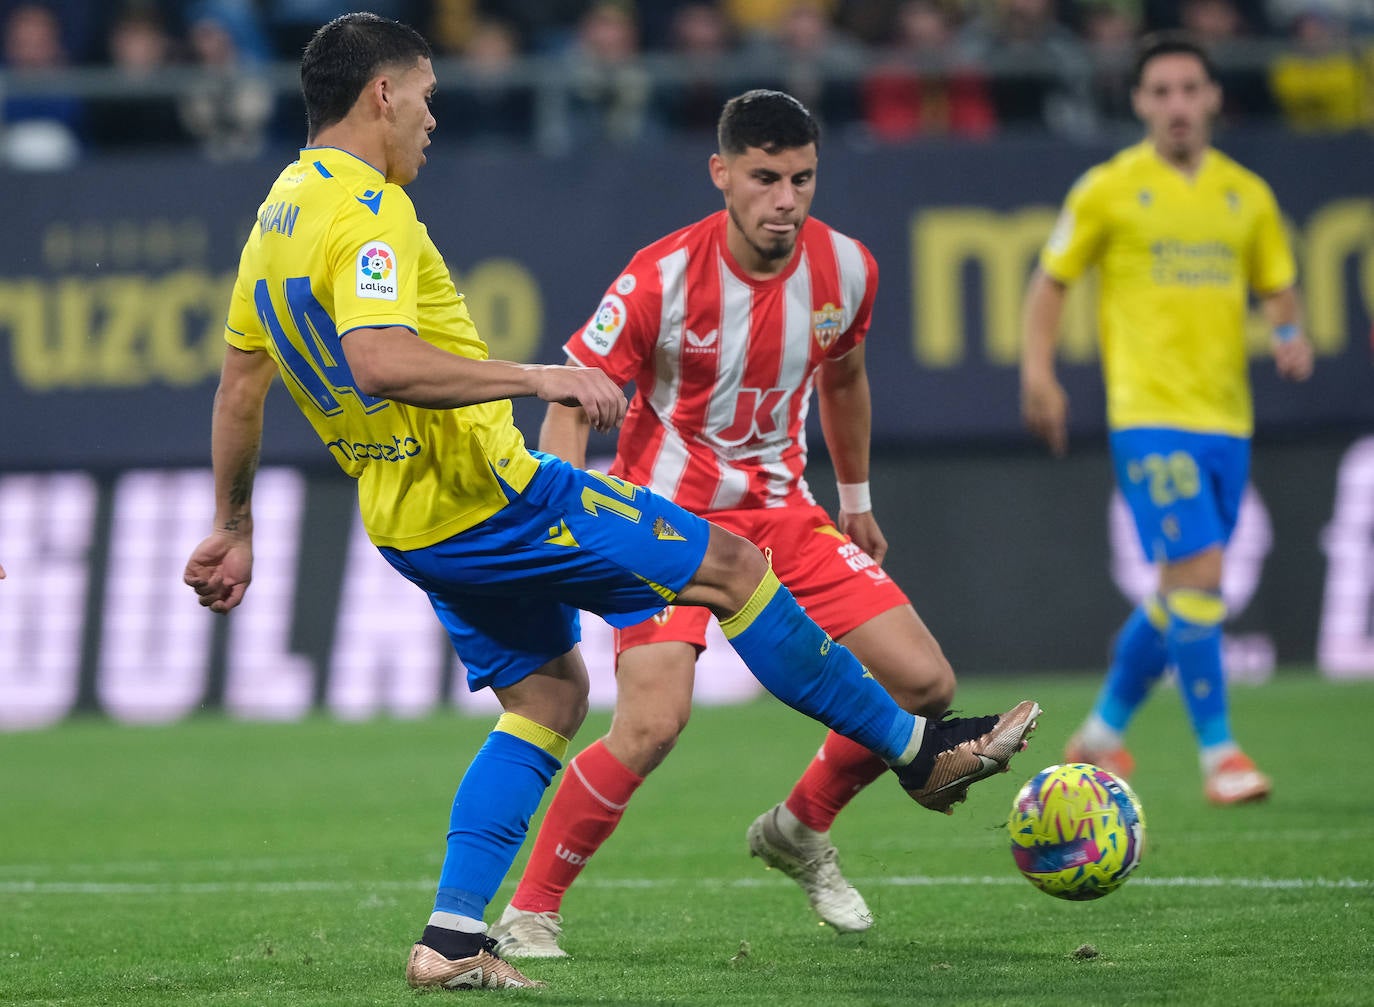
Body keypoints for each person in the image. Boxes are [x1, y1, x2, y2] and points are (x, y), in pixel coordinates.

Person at [181, 13, 1040, 992]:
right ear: (380, 94)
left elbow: (241, 382)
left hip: (408, 521)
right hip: (491, 498)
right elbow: (379, 361)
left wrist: (233, 521)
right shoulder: (368, 209)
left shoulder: (281, 208)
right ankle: (918, 749)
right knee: (734, 567)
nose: (431, 118)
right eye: (424, 95)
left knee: (550, 698)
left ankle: (454, 939)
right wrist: (536, 377)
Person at [488, 87, 980, 958]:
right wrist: (559, 514)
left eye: (802, 178)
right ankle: (531, 910)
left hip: (783, 513)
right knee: (652, 722)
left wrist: (857, 500)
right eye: (764, 178)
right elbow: (570, 390)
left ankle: (798, 828)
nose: (785, 199)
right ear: (722, 175)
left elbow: (844, 375)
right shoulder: (662, 277)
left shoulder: (848, 269)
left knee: (925, 684)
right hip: (664, 522)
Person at [1019, 33, 1313, 807]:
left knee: (1180, 590)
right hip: (1149, 416)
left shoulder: (1245, 195)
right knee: (1202, 575)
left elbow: (1277, 283)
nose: (1177, 104)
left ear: (1213, 97)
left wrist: (1288, 334)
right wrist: (1038, 373)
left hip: (1228, 421)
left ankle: (1102, 733)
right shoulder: (1109, 188)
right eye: (1161, 92)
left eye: (1190, 89)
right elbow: (1051, 282)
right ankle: (1220, 754)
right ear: (1141, 102)